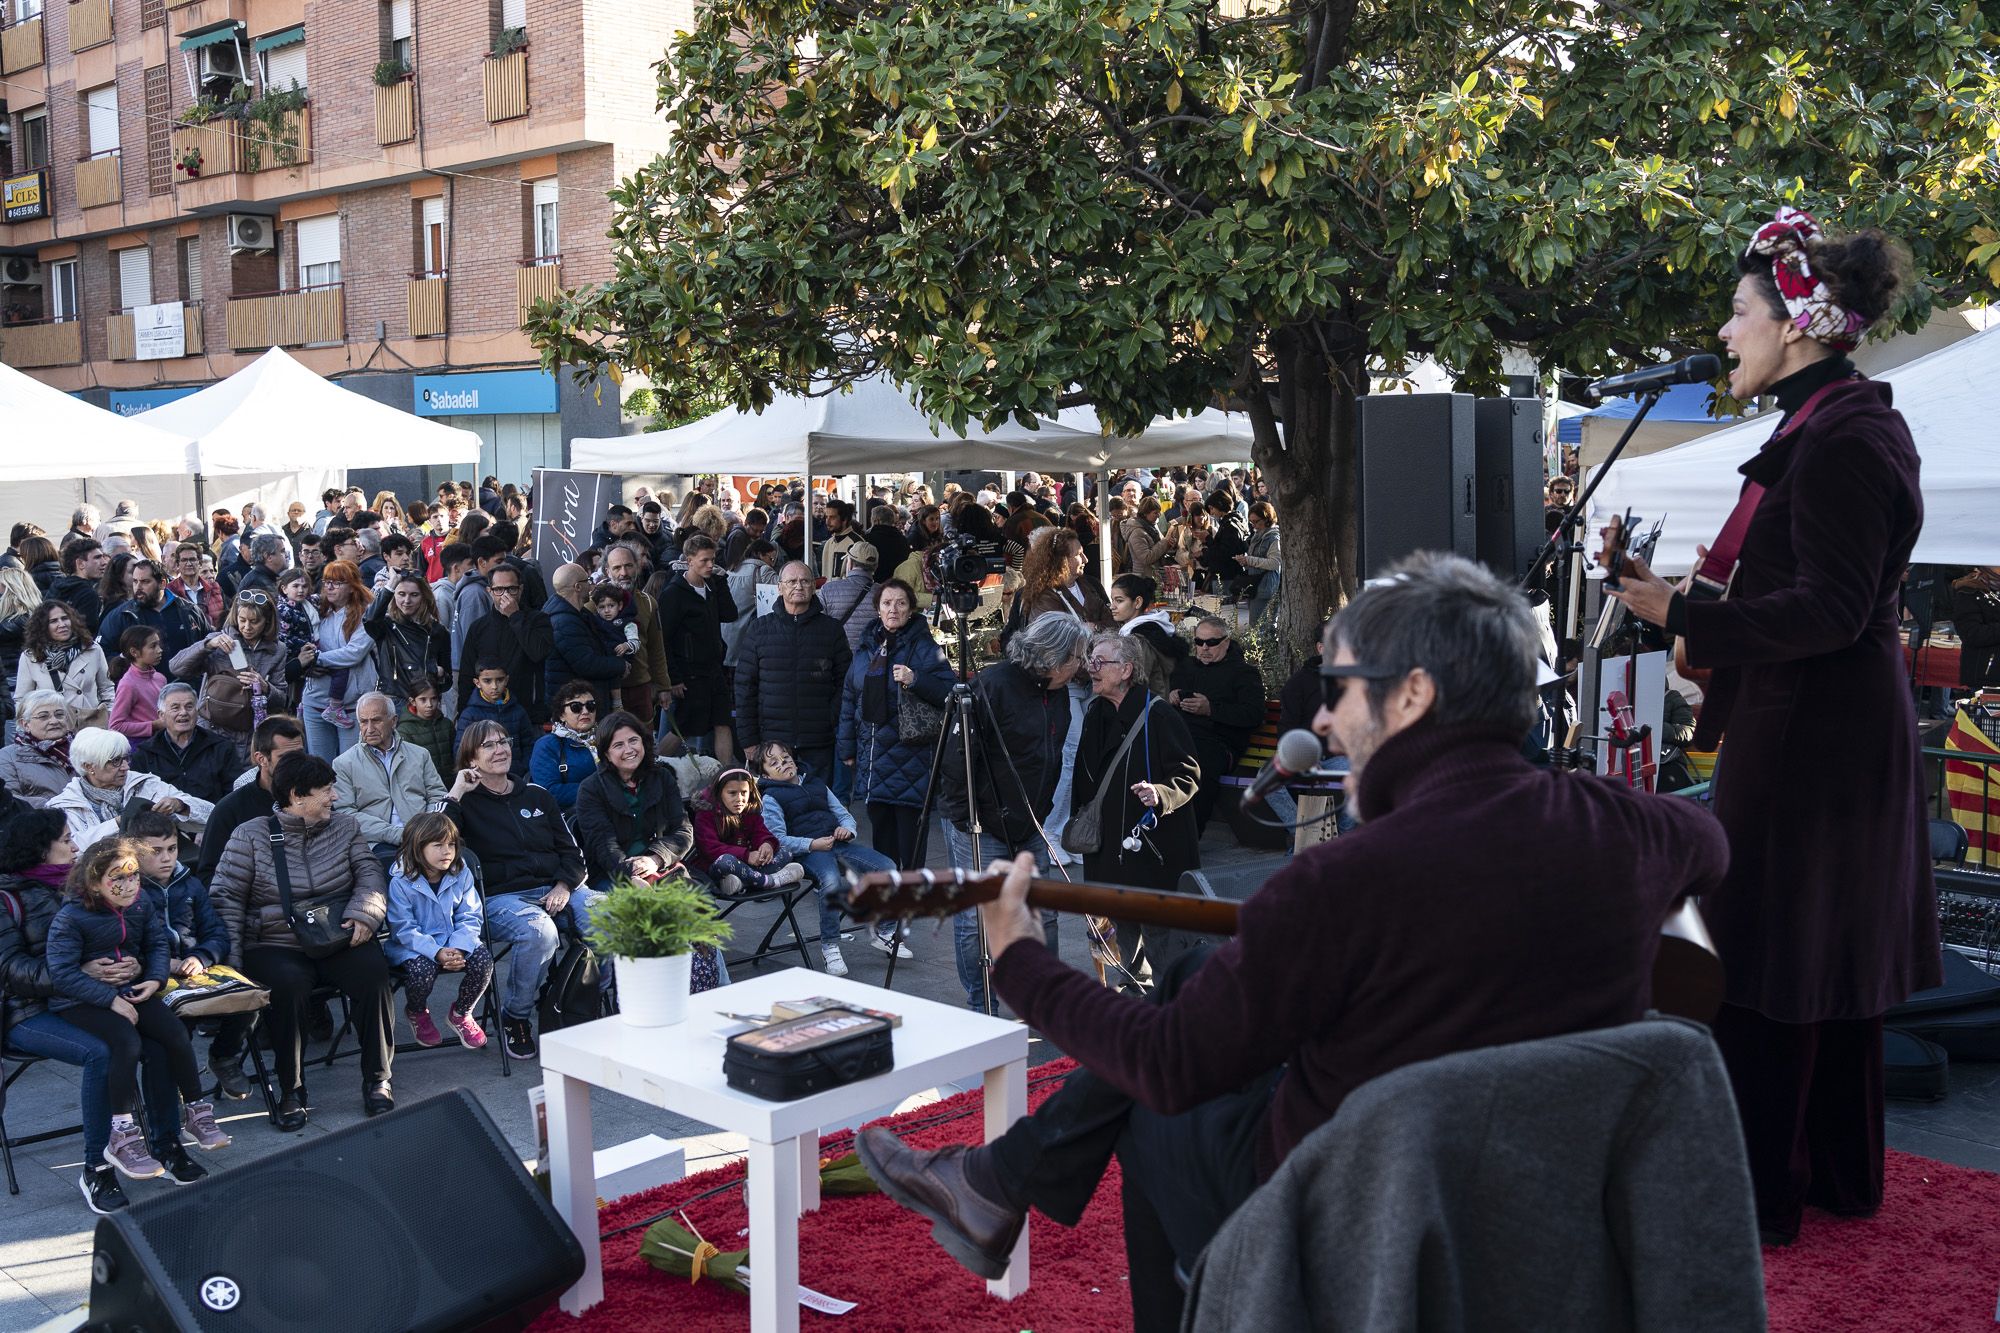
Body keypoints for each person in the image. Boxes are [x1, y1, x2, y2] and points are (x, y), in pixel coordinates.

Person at [858, 553, 1733, 1326]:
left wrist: (1022, 961)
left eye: (1343, 687)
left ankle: (1015, 1195)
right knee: (1191, 971)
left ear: (1415, 694)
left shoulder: (1343, 884)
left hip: (1349, 1204)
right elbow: (1712, 850)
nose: (1328, 714)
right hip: (1542, 1189)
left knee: (1150, 1101)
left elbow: (1169, 1063)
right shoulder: (1638, 830)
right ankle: (993, 1183)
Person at [1606, 208, 1938, 1244]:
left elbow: (1828, 610)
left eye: (1738, 310)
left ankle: (1758, 1197)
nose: (1723, 329)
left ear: (1796, 322)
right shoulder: (1827, 423)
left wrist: (1678, 613)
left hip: (1815, 740)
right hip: (1822, 726)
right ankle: (1830, 1176)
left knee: (1771, 953)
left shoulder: (1840, 436)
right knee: (1818, 956)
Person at [0, 812, 192, 1211]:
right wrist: (74, 973)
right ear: (39, 848)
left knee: (157, 1043)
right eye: (66, 840)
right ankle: (96, 1169)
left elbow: (130, 938)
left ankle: (166, 1145)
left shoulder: (87, 884)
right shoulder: (8, 897)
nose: (74, 847)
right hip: (28, 1011)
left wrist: (136, 966)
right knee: (99, 1052)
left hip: (94, 997)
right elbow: (9, 969)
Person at [210, 752, 395, 1128]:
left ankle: (379, 1079)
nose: (335, 797)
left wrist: (365, 913)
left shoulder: (345, 828)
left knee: (373, 973)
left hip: (335, 934)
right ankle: (291, 1090)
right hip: (275, 942)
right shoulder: (250, 836)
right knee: (287, 987)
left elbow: (370, 873)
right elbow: (225, 898)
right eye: (326, 790)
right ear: (296, 796)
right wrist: (233, 966)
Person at [45, 837, 234, 1181]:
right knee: (126, 1044)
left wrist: (155, 979)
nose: (129, 884)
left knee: (174, 1033)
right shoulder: (71, 917)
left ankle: (196, 1112)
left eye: (133, 876)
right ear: (94, 882)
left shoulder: (140, 902)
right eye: (118, 878)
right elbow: (62, 974)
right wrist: (109, 1000)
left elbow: (156, 944)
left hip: (130, 989)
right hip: (80, 1000)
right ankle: (121, 1132)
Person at [936, 613, 1090, 1009]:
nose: (1083, 665)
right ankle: (980, 1005)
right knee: (976, 919)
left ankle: (1045, 1000)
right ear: (1055, 657)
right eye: (1078, 656)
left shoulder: (1055, 689)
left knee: (1043, 912)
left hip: (1031, 821)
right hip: (981, 824)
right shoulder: (994, 686)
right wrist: (964, 820)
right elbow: (954, 763)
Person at [442, 720, 600, 1059]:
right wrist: (457, 790)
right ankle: (515, 1015)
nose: (500, 749)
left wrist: (563, 885)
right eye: (488, 745)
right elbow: (433, 839)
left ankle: (586, 1004)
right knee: (540, 933)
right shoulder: (465, 804)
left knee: (607, 915)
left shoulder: (537, 795)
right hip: (502, 898)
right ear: (471, 757)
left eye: (503, 741)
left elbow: (573, 855)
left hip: (558, 887)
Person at [1072, 632, 1202, 987]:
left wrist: (1160, 794)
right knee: (1122, 927)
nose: (1091, 669)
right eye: (1090, 661)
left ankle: (1171, 1009)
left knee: (1160, 935)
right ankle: (1137, 992)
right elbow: (1085, 779)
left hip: (1152, 846)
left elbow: (1188, 774)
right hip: (1108, 846)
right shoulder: (1095, 712)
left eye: (1100, 662)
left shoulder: (1158, 714)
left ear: (1126, 669)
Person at [125, 808, 254, 1101]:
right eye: (155, 851)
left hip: (196, 970)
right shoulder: (127, 891)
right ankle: (178, 1085)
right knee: (175, 1026)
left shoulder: (191, 884)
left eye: (172, 848)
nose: (167, 857)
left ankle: (224, 1057)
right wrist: (162, 964)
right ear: (132, 851)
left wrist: (202, 956)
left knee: (248, 1000)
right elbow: (126, 948)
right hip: (153, 978)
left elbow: (217, 933)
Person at [754, 741, 901, 975]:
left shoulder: (815, 783)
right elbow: (777, 839)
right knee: (831, 879)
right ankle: (830, 946)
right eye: (774, 763)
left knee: (887, 867)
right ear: (764, 773)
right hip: (808, 852)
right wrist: (811, 844)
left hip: (837, 843)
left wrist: (848, 830)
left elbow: (842, 813)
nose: (783, 764)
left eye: (786, 758)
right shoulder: (772, 797)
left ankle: (885, 931)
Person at [836, 580, 954, 869]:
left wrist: (917, 680)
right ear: (877, 609)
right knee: (881, 827)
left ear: (911, 609)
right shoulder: (866, 648)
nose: (893, 609)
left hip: (910, 754)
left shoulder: (925, 647)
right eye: (887, 603)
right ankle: (889, 885)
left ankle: (912, 890)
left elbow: (950, 692)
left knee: (910, 830)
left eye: (901, 603)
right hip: (873, 755)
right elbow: (850, 699)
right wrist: (847, 746)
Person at [733, 561, 853, 779]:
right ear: (779, 587)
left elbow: (846, 682)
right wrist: (748, 740)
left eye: (805, 581)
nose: (798, 586)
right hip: (771, 743)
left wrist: (830, 717)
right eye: (792, 581)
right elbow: (744, 688)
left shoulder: (831, 630)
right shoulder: (760, 629)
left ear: (814, 586)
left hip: (818, 741)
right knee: (774, 808)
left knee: (817, 806)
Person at [382, 813, 491, 1050]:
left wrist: (460, 947)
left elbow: (470, 915)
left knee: (483, 960)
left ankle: (462, 1013)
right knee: (422, 969)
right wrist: (436, 951)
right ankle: (417, 1011)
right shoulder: (400, 881)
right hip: (412, 946)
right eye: (438, 845)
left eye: (451, 844)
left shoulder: (460, 872)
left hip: (454, 940)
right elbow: (403, 928)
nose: (447, 851)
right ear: (417, 847)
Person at [573, 710, 696, 887]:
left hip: (660, 866)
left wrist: (655, 859)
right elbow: (603, 847)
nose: (629, 750)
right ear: (606, 754)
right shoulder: (591, 789)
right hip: (611, 873)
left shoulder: (662, 777)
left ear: (643, 742)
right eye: (618, 745)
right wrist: (632, 875)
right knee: (647, 908)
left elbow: (683, 830)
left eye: (633, 740)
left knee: (702, 907)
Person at [1168, 618, 1268, 834]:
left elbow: (1254, 714)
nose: (1204, 648)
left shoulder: (1243, 673)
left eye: (1211, 643)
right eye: (1199, 641)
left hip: (1219, 743)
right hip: (1181, 736)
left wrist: (1211, 709)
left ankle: (1188, 837)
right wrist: (1172, 695)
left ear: (1226, 642)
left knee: (1197, 763)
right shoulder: (1185, 667)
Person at [168, 590, 292, 763]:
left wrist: (265, 687)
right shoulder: (219, 641)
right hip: (213, 730)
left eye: (254, 622)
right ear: (235, 617)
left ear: (267, 622)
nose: (247, 627)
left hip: (250, 736)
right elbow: (176, 667)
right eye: (242, 620)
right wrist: (207, 645)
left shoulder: (278, 650)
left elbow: (281, 700)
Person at [49, 727, 211, 852]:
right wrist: (119, 823)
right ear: (89, 766)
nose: (125, 767)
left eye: (126, 758)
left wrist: (180, 806)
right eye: (115, 761)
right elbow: (68, 851)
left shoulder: (146, 784)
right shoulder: (63, 806)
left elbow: (212, 816)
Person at [333, 692, 447, 864]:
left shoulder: (419, 754)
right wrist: (397, 834)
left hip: (424, 836)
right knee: (394, 865)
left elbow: (437, 796)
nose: (369, 729)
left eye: (376, 720)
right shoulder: (343, 763)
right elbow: (346, 814)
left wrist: (426, 828)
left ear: (393, 721)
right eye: (364, 722)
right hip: (376, 842)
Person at [194, 715, 306, 887]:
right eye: (284, 757)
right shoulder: (230, 809)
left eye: (299, 755)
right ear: (261, 759)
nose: (295, 764)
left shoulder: (315, 798)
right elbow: (208, 874)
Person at [655, 534, 739, 759]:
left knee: (723, 722)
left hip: (713, 669)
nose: (710, 565)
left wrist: (721, 582)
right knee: (683, 727)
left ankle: (727, 775)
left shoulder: (712, 585)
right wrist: (673, 677)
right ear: (689, 560)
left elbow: (730, 614)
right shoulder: (674, 593)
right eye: (704, 560)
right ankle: (652, 767)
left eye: (713, 559)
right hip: (690, 673)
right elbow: (663, 638)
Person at [456, 558, 553, 726]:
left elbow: (539, 653)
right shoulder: (479, 628)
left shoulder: (538, 620)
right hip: (487, 715)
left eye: (511, 589)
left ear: (521, 589)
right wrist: (465, 715)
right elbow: (466, 675)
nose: (505, 595)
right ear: (490, 591)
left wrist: (515, 617)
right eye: (499, 589)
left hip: (528, 713)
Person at [299, 560, 378, 757]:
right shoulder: (316, 610)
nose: (330, 587)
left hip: (351, 704)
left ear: (352, 587)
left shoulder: (365, 614)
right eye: (327, 582)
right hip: (315, 701)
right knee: (320, 768)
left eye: (337, 582)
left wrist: (316, 658)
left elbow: (354, 653)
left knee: (349, 769)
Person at [688, 767, 807, 893]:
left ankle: (743, 883)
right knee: (725, 861)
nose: (739, 799)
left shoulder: (749, 809)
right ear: (719, 792)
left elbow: (761, 832)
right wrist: (746, 855)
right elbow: (710, 849)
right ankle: (770, 881)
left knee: (785, 851)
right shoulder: (706, 812)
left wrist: (766, 844)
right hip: (717, 867)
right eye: (732, 793)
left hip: (749, 865)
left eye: (744, 793)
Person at [131, 682, 244, 804]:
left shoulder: (221, 747)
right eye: (175, 707)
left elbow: (234, 794)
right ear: (161, 715)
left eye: (189, 707)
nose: (183, 712)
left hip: (211, 819)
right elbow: (137, 800)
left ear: (197, 712)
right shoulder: (145, 754)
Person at [600, 544, 673, 726]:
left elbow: (656, 649)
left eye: (628, 565)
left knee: (644, 742)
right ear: (608, 571)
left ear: (637, 566)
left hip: (641, 687)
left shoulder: (648, 603)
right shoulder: (595, 602)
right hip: (606, 687)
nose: (623, 572)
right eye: (617, 568)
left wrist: (663, 687)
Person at [544, 562, 632, 706]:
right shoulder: (564, 621)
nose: (592, 586)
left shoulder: (577, 614)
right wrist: (620, 665)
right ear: (578, 587)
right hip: (575, 706)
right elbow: (586, 664)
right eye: (588, 581)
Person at [19, 601, 115, 730]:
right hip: (52, 729)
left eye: (65, 618)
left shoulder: (93, 649)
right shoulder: (30, 657)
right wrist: (26, 729)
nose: (62, 625)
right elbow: (22, 700)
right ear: (42, 627)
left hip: (90, 727)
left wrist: (109, 715)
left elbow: (107, 689)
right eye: (53, 621)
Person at [366, 575, 452, 713]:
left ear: (423, 596)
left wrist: (439, 674)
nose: (407, 600)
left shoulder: (438, 631)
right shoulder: (386, 626)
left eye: (414, 595)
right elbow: (369, 620)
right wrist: (390, 586)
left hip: (425, 703)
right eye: (401, 594)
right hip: (394, 700)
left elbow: (448, 682)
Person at [454, 661, 534, 781]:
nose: (494, 686)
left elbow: (529, 744)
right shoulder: (470, 715)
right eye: (487, 681)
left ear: (506, 680)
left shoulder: (518, 711)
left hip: (517, 777)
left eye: (499, 680)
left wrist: (523, 768)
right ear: (477, 682)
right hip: (483, 780)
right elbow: (461, 751)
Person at [0, 691, 79, 805]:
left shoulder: (82, 748)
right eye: (43, 716)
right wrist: (52, 807)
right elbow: (9, 802)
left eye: (59, 714)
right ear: (25, 724)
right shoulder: (7, 757)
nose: (54, 721)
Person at [531, 681, 599, 811]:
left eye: (590, 706)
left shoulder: (608, 737)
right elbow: (548, 790)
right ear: (562, 714)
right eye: (576, 707)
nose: (585, 711)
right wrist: (598, 790)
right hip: (570, 816)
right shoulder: (547, 745)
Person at [818, 541, 881, 654]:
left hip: (837, 657)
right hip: (870, 658)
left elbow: (819, 628)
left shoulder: (827, 590)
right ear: (875, 567)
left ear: (849, 563)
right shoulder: (883, 593)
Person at [107, 627, 167, 743]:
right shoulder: (128, 684)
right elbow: (115, 726)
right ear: (134, 652)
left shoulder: (160, 678)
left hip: (163, 742)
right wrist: (154, 725)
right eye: (153, 646)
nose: (160, 650)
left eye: (159, 645)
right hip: (142, 748)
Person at [48, 539, 108, 634]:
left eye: (103, 557)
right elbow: (87, 632)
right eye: (97, 558)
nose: (104, 562)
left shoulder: (56, 586)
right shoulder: (88, 594)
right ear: (80, 564)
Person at [1236, 501, 1282, 623]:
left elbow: (1274, 563)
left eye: (1256, 521)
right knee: (1258, 626)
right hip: (1255, 584)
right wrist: (1244, 561)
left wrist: (1249, 560)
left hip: (1266, 586)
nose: (1253, 525)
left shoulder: (1273, 537)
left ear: (1267, 519)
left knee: (1259, 627)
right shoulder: (1257, 535)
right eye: (1251, 522)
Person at [166, 543, 226, 629]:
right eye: (184, 560)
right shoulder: (170, 591)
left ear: (200, 563)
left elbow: (227, 618)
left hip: (216, 638)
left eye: (193, 559)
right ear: (178, 564)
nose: (189, 563)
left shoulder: (215, 588)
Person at [1120, 497, 1176, 585]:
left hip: (1154, 575)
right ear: (1145, 513)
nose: (1159, 515)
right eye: (1155, 513)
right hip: (1144, 578)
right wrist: (1165, 542)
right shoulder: (1137, 532)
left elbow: (1159, 547)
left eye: (1159, 512)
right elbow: (1146, 558)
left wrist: (1169, 543)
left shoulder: (1151, 526)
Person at [817, 500, 861, 580]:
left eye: (832, 517)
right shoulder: (829, 543)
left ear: (844, 519)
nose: (827, 521)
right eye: (826, 517)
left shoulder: (857, 543)